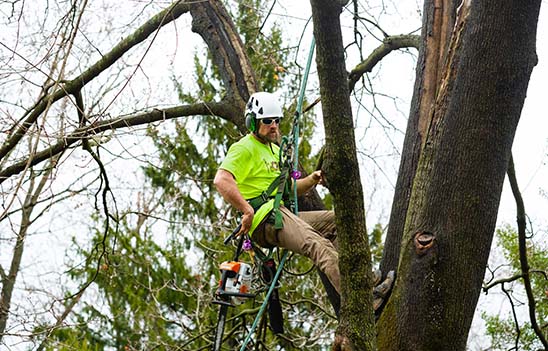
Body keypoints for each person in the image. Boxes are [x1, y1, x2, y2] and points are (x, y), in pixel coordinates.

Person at [213, 91, 393, 311]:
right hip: (265, 220)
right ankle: (362, 303)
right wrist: (247, 210)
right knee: (318, 245)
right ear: (253, 122)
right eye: (267, 121)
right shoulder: (244, 147)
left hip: (281, 213)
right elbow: (222, 180)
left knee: (338, 221)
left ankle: (363, 280)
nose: (274, 126)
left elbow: (289, 188)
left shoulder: (274, 151)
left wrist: (312, 180)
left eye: (276, 121)